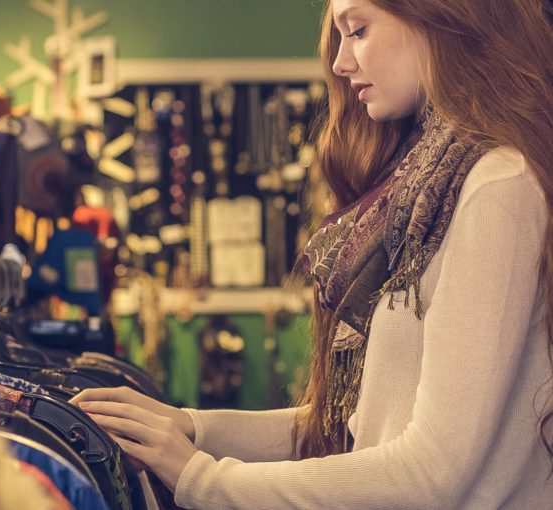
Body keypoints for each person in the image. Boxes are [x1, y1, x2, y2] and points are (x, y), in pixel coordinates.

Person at [70, 0, 553, 507]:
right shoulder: (422, 189)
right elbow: (361, 426)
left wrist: (202, 478)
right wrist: (193, 427)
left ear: (444, 17)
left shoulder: (497, 184)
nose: (341, 64)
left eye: (358, 30)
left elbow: (431, 473)